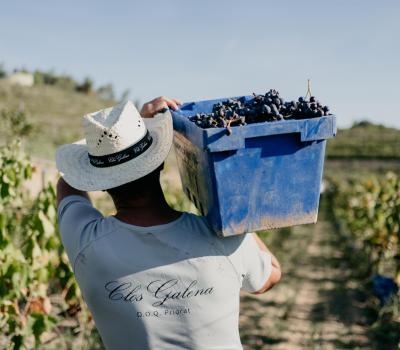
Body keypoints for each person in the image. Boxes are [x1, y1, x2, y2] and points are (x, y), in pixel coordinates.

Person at [55, 96, 282, 350]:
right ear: (160, 161)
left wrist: (119, 139)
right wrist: (232, 216)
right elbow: (271, 275)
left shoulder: (85, 245)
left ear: (99, 182)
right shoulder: (222, 239)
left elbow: (67, 183)